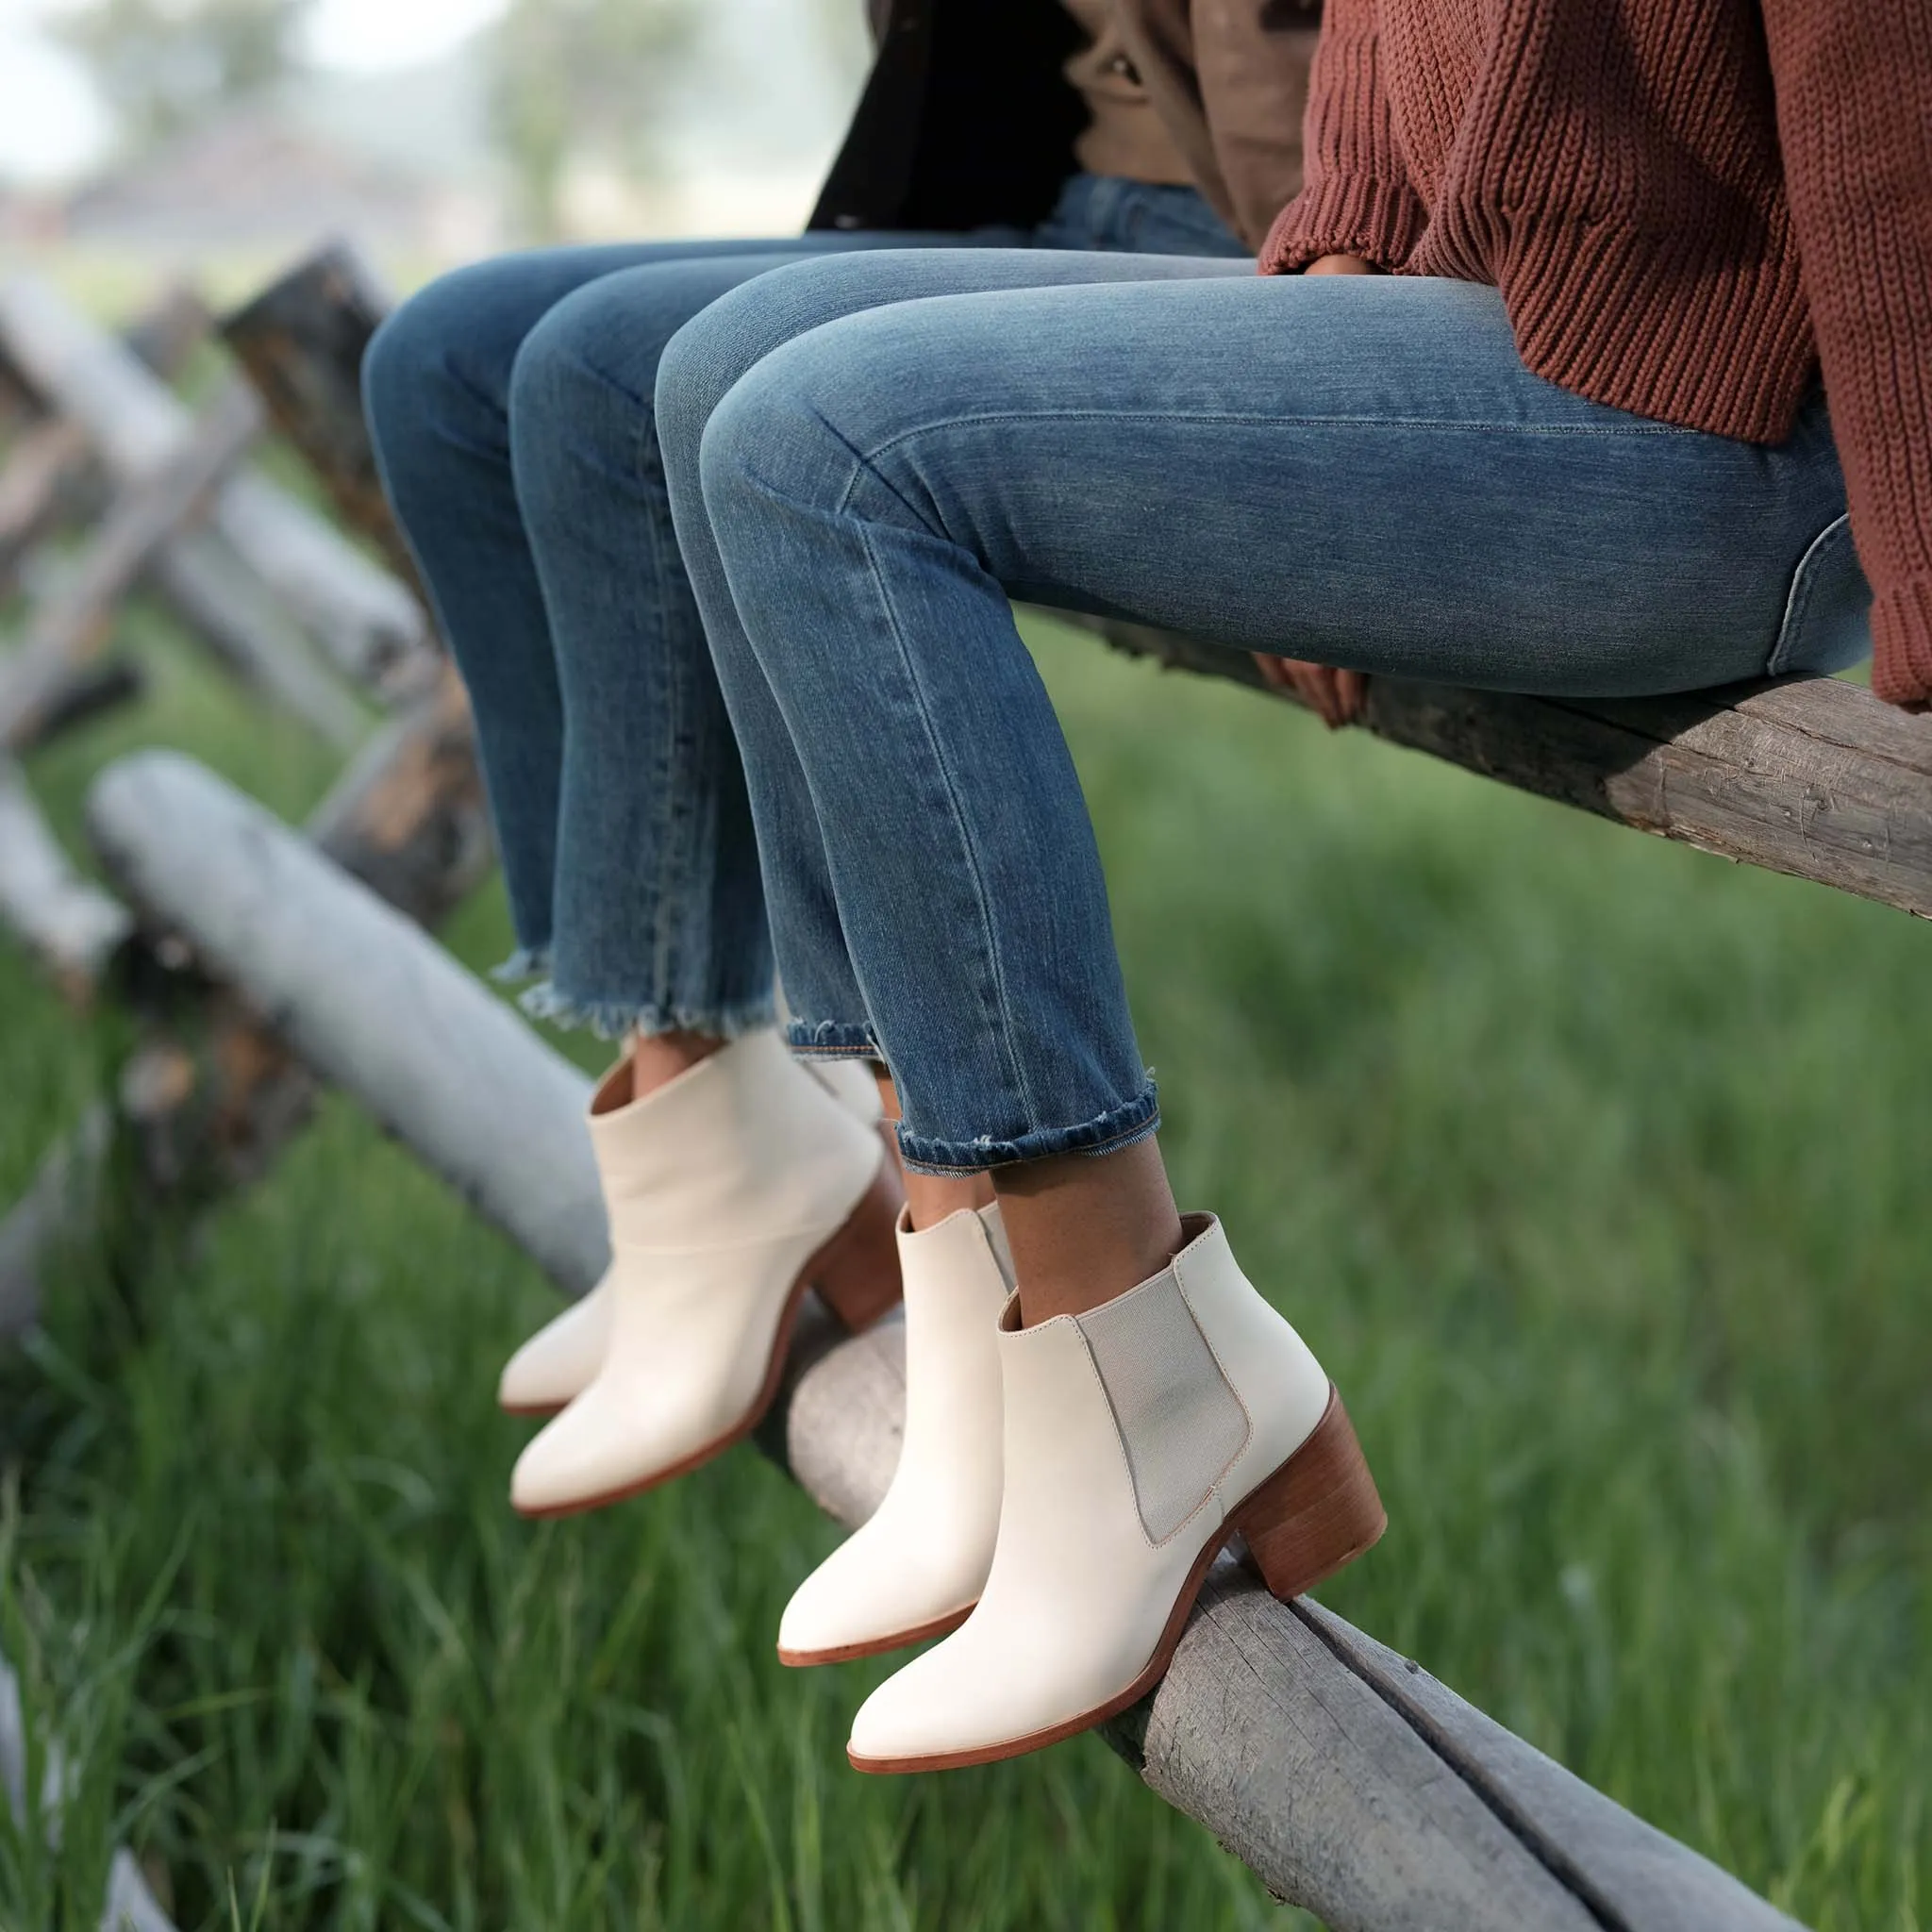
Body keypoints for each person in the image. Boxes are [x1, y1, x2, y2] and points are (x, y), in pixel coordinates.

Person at [646, 0, 1921, 1773]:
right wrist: (1315, 312)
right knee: (734, 370)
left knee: (828, 451)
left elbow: (1888, 110)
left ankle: (1133, 1358)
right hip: (1479, 343)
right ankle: (970, 1262)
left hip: (1731, 446)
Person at [362, 5, 1321, 1653]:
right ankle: (713, 1129)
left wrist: (1326, 367)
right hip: (1041, 179)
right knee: (455, 355)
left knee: (743, 403)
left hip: (1267, 216)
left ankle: (1004, 1261)